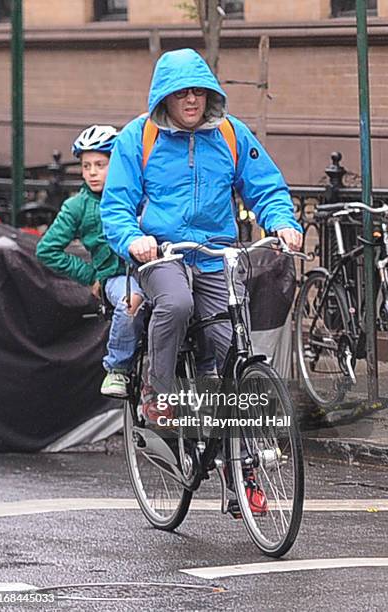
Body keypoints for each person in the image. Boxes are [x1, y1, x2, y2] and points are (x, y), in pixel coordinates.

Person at [100, 48, 303, 420]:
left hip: (216, 254)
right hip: (163, 253)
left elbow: (266, 187)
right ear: (164, 97)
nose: (191, 99)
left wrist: (282, 222)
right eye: (181, 93)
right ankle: (157, 389)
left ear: (210, 92)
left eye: (198, 90)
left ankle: (237, 459)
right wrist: (133, 240)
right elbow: (116, 207)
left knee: (233, 345)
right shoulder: (137, 137)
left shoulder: (230, 133)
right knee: (177, 304)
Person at [36, 125, 145, 399]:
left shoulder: (139, 195)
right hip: (117, 277)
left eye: (100, 164)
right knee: (130, 302)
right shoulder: (77, 207)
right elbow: (47, 249)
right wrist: (90, 275)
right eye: (86, 166)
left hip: (152, 270)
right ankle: (117, 367)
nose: (92, 172)